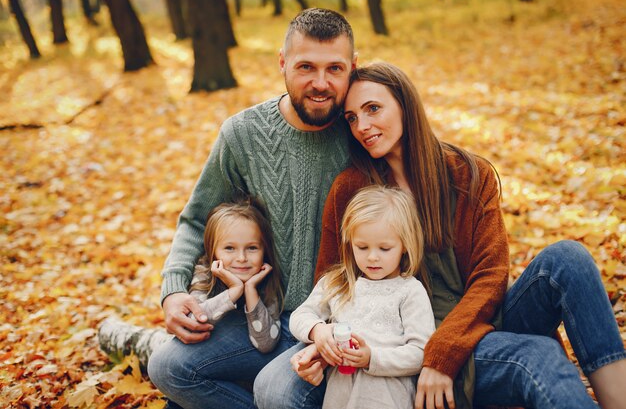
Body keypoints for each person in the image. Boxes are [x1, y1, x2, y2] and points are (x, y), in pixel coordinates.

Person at [255, 62, 626, 409]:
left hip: (475, 327)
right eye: (352, 118)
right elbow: (335, 281)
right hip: (399, 343)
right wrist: (325, 340)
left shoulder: (467, 174)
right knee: (537, 355)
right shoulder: (351, 187)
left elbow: (491, 277)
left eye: (373, 109)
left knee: (568, 259)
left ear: (405, 106)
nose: (361, 126)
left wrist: (443, 355)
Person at [147, 8, 357, 409]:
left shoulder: (363, 131)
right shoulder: (242, 134)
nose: (320, 83)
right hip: (258, 312)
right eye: (305, 67)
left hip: (330, 322)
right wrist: (173, 292)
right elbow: (196, 220)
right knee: (168, 368)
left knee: (277, 394)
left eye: (335, 68)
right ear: (281, 63)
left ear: (353, 67)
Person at [289, 186, 436, 409]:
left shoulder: (409, 291)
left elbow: (421, 352)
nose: (373, 257)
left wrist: (372, 358)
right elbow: (300, 315)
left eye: (385, 248)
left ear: (405, 245)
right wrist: (318, 331)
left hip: (387, 397)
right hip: (340, 397)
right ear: (350, 242)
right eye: (362, 247)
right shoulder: (338, 282)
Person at [186, 199, 283, 353]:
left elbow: (266, 344)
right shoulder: (204, 273)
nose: (242, 258)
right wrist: (234, 291)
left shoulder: (267, 282)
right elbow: (192, 322)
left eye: (252, 248)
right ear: (213, 250)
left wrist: (250, 289)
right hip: (199, 352)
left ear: (264, 250)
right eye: (230, 248)